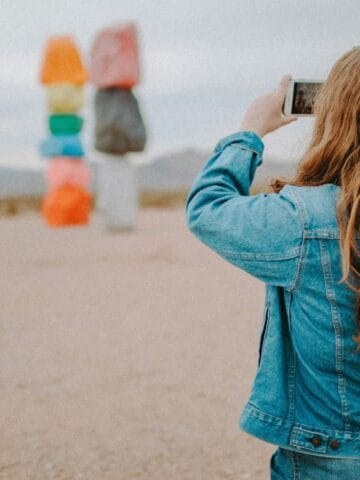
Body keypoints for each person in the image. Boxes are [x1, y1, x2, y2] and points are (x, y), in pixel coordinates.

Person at [185, 47, 360, 479]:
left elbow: (208, 209)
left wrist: (251, 131)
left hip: (333, 452)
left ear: (333, 114)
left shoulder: (304, 219)